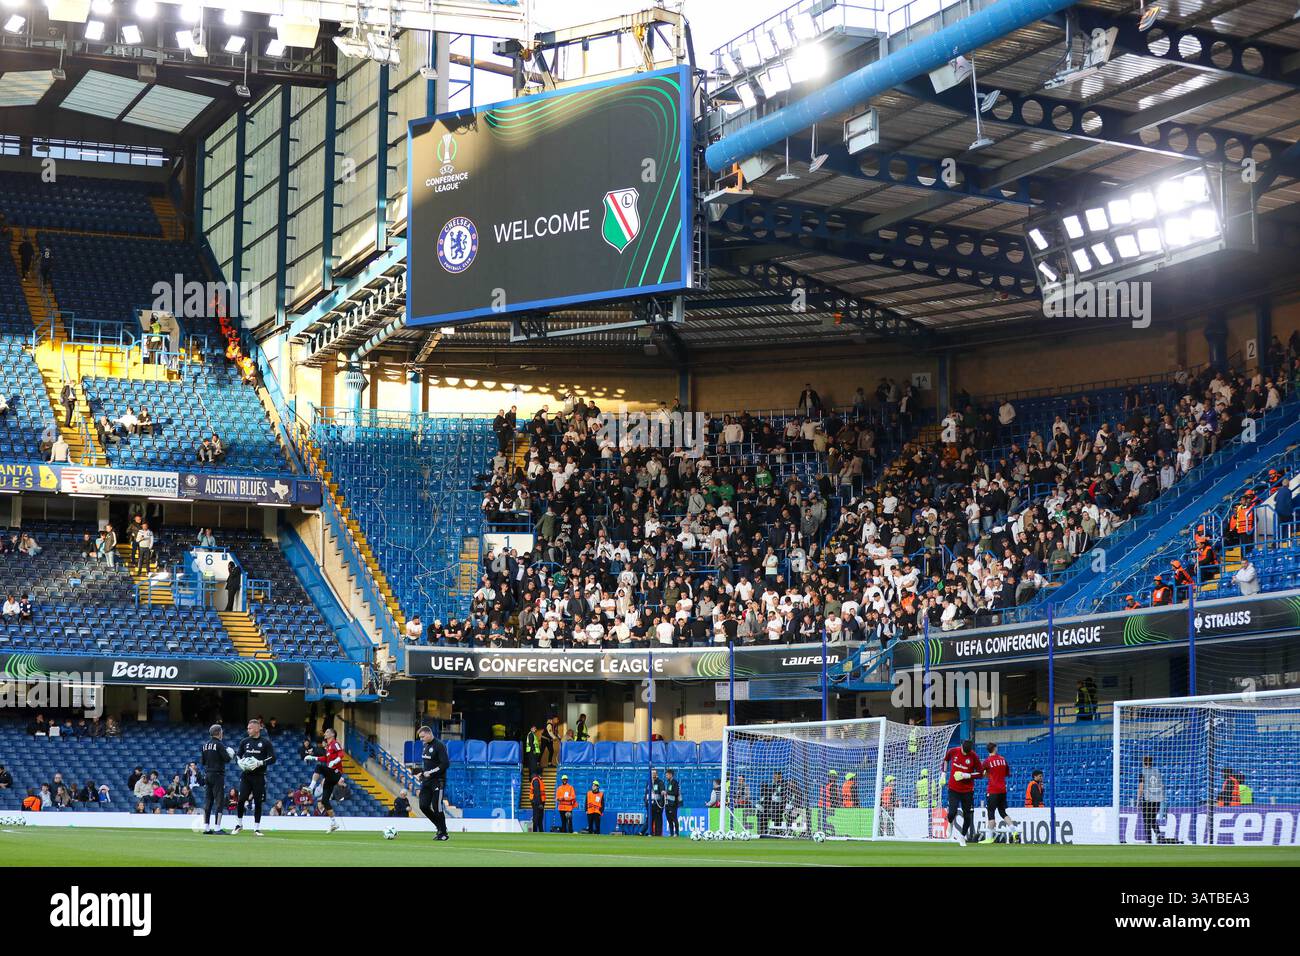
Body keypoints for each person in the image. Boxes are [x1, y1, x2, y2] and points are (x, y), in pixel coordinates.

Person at [232, 717, 276, 836]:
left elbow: (273, 758)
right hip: (246, 775)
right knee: (241, 800)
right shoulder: (244, 741)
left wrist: (260, 763)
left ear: (257, 729)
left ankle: (256, 828)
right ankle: (239, 824)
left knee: (257, 802)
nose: (248, 730)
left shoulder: (266, 743)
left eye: (250, 728)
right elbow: (238, 755)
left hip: (259, 776)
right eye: (248, 728)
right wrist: (240, 762)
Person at [943, 738, 983, 846]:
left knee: (968, 816)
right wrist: (943, 774)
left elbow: (981, 773)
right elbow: (946, 760)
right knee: (952, 812)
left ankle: (962, 836)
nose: (965, 754)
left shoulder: (973, 756)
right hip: (953, 788)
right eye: (963, 751)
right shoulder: (953, 751)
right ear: (961, 746)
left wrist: (967, 775)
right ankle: (950, 823)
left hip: (967, 791)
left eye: (967, 752)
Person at [414, 725, 450, 841]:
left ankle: (443, 832)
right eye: (420, 737)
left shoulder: (439, 746)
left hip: (438, 781)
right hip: (427, 782)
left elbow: (445, 764)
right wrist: (422, 773)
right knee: (423, 806)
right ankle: (439, 826)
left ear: (429, 734)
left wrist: (431, 772)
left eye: (423, 737)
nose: (421, 739)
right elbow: (428, 765)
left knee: (437, 807)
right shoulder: (425, 746)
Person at [308, 726, 345, 833]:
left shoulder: (335, 743)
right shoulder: (328, 747)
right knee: (324, 800)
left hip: (336, 773)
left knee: (319, 767)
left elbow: (341, 754)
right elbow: (325, 758)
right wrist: (313, 758)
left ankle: (311, 787)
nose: (325, 733)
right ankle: (334, 823)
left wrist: (336, 761)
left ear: (333, 734)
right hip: (330, 775)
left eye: (327, 732)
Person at [200, 723, 232, 834]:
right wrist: (230, 754)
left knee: (208, 801)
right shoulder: (219, 745)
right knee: (219, 801)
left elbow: (203, 762)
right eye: (221, 732)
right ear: (218, 733)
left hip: (207, 774)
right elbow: (227, 759)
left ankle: (206, 827)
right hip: (218, 775)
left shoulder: (205, 745)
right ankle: (217, 828)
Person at [980, 742, 1013, 842]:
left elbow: (981, 774)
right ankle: (1014, 830)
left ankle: (989, 838)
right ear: (995, 748)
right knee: (1002, 812)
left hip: (993, 790)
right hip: (1002, 789)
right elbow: (1007, 773)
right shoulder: (1003, 759)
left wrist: (988, 774)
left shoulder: (987, 761)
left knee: (991, 812)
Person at [1136, 755, 1168, 844]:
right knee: (1153, 819)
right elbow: (1162, 786)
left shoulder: (1143, 772)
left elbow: (1141, 787)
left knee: (1146, 820)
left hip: (1148, 799)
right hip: (1157, 799)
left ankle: (1149, 840)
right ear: (1151, 762)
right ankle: (1158, 834)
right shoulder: (1157, 772)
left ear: (1143, 763)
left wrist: (1138, 799)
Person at [646, 767, 666, 836]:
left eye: (654, 773)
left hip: (657, 805)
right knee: (650, 820)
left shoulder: (660, 782)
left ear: (656, 774)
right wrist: (646, 802)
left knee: (658, 820)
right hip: (650, 805)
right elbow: (646, 793)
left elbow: (662, 790)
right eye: (651, 773)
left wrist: (663, 792)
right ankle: (650, 833)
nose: (653, 774)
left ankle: (658, 834)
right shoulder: (649, 782)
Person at [664, 768, 681, 837]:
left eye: (667, 775)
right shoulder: (668, 783)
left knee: (674, 818)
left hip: (673, 804)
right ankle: (671, 833)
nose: (666, 776)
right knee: (669, 819)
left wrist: (667, 792)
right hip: (667, 804)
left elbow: (676, 792)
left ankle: (676, 833)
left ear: (671, 775)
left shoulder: (675, 782)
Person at [530, 767, 546, 833]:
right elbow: (537, 792)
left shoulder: (537, 780)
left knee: (539, 818)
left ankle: (540, 831)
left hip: (538, 801)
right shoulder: (536, 780)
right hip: (537, 802)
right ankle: (535, 831)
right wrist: (539, 803)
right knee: (537, 817)